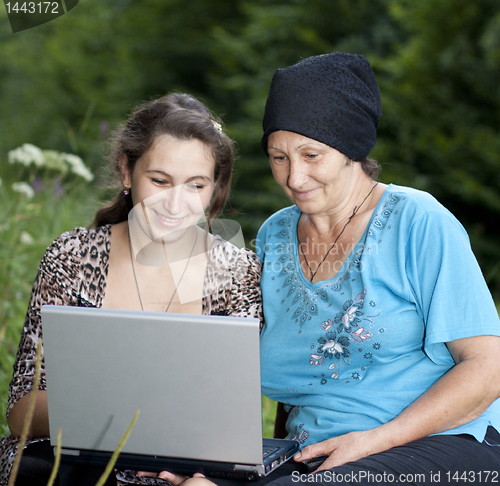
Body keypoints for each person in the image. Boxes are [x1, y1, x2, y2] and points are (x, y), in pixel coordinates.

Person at [154, 52, 500, 486]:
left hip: (439, 444)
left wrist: (375, 440)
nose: (294, 177)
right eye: (278, 157)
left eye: (312, 155)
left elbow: (488, 368)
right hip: (315, 454)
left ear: (352, 147)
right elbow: (294, 386)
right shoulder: (275, 235)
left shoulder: (418, 221)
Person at [0, 92, 262, 486]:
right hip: (74, 460)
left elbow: (231, 420)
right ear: (127, 171)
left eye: (195, 185)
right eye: (159, 180)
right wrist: (126, 415)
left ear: (214, 189)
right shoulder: (71, 257)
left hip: (189, 468)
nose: (176, 204)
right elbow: (21, 414)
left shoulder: (238, 272)